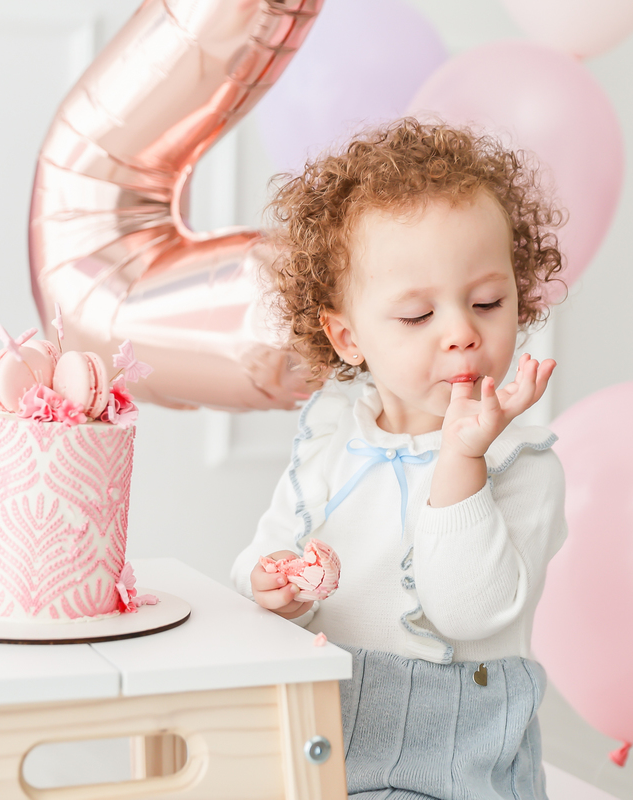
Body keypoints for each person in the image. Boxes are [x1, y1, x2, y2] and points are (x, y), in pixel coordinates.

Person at [231, 118, 568, 800]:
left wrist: (462, 457)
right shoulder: (330, 440)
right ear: (347, 337)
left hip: (458, 748)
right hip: (328, 718)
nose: (462, 332)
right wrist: (272, 588)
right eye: (418, 316)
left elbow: (468, 612)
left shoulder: (523, 463)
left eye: (487, 302)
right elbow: (261, 561)